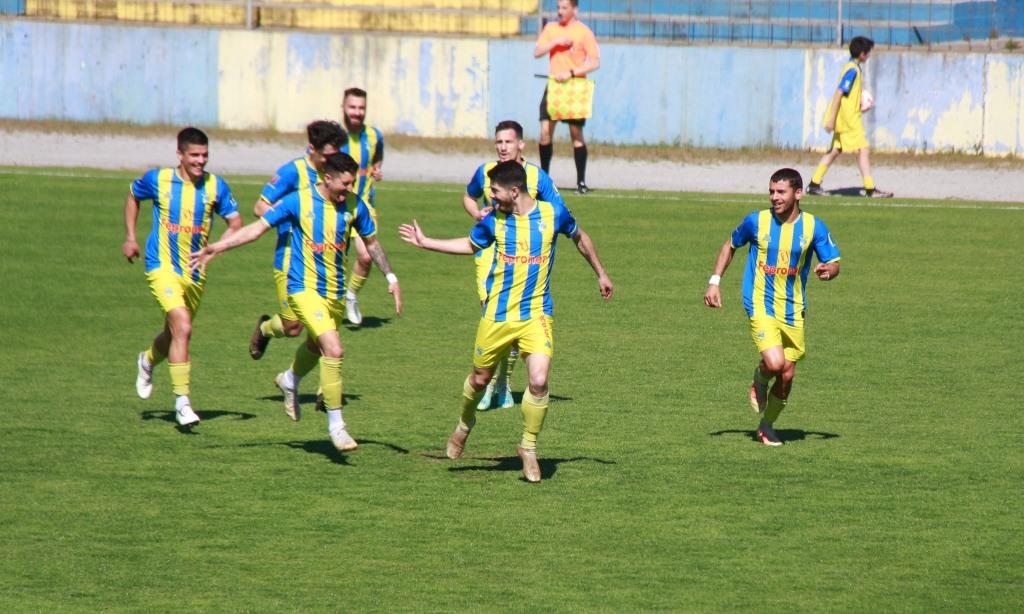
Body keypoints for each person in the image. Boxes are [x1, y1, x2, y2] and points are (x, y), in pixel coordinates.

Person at [399, 160, 612, 482]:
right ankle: (464, 424)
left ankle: (528, 446)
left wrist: (601, 273)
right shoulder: (493, 222)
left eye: (495, 192)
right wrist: (426, 242)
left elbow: (580, 237)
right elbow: (470, 245)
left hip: (537, 314)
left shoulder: (552, 214)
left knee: (539, 381)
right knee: (479, 379)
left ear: (515, 191)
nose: (492, 198)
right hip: (497, 316)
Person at [190, 152, 402, 451]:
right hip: (303, 289)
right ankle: (337, 426)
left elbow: (372, 243)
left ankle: (289, 379)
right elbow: (258, 228)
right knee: (333, 348)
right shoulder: (298, 201)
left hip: (335, 293)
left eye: (353, 183)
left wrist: (391, 278)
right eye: (345, 183)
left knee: (316, 347)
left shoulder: (355, 205)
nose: (349, 189)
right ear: (327, 178)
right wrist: (219, 246)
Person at [704, 168, 841, 446]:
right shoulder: (757, 221)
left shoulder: (814, 227)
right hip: (760, 302)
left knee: (788, 374)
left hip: (793, 308)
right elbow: (730, 245)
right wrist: (714, 282)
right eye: (771, 191)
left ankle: (767, 426)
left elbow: (835, 261)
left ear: (798, 193)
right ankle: (759, 377)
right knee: (775, 363)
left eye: (781, 192)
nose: (774, 197)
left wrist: (829, 270)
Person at [123, 127, 242, 428]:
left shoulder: (216, 187)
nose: (200, 161)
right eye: (194, 155)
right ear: (180, 154)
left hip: (194, 273)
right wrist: (130, 237)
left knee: (174, 334)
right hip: (161, 266)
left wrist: (214, 251)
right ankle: (182, 403)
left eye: (205, 155)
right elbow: (133, 196)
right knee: (183, 326)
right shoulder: (159, 180)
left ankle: (147, 360)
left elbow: (235, 223)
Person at [464, 119, 567, 412]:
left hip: (524, 258)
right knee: (493, 309)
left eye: (508, 142)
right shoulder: (485, 172)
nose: (502, 147)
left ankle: (502, 384)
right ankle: (494, 383)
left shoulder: (536, 177)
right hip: (489, 254)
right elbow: (468, 196)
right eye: (498, 142)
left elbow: (557, 211)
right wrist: (477, 213)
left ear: (521, 144)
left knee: (513, 310)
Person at [248, 120, 347, 362]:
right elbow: (260, 206)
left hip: (324, 260)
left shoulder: (335, 173)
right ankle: (264, 329)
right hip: (292, 256)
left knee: (322, 334)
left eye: (336, 155)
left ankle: (311, 388)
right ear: (312, 148)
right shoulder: (292, 172)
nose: (332, 161)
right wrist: (293, 217)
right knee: (293, 327)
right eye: (327, 155)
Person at [806, 36, 893, 198]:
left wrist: (858, 104)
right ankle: (870, 189)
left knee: (834, 151)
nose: (868, 56)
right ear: (862, 54)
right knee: (863, 150)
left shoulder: (850, 67)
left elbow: (847, 96)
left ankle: (814, 184)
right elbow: (839, 92)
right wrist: (832, 118)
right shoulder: (853, 70)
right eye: (868, 53)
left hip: (845, 117)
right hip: (848, 120)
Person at [534, 0, 600, 195]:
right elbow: (537, 51)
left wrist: (571, 73)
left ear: (574, 10)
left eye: (564, 8)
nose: (560, 11)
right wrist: (555, 42)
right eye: (558, 8)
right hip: (553, 86)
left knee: (576, 135)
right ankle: (544, 181)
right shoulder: (551, 28)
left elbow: (595, 62)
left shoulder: (584, 32)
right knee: (545, 132)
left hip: (574, 87)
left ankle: (581, 182)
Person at [339, 87, 385, 326]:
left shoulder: (375, 135)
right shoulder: (334, 137)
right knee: (333, 256)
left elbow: (377, 157)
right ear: (343, 108)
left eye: (361, 108)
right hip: (334, 206)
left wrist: (376, 170)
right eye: (352, 107)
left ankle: (351, 295)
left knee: (366, 256)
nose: (357, 112)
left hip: (363, 205)